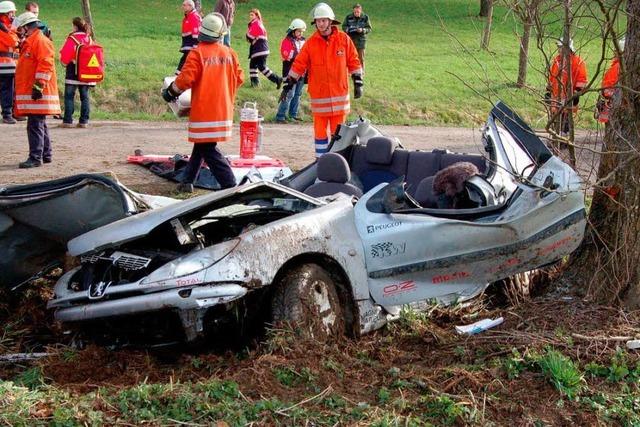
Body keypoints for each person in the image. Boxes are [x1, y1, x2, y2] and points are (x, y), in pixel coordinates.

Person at [162, 13, 243, 193]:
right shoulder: (230, 53)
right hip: (224, 110)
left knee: (208, 147)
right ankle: (187, 181)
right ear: (220, 33)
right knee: (202, 144)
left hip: (204, 112)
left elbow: (184, 80)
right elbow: (240, 78)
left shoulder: (197, 53)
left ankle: (230, 185)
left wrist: (170, 92)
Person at [282, 3, 363, 157]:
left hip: (339, 98)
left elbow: (354, 60)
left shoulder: (343, 39)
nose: (321, 24)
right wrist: (288, 84)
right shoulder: (311, 43)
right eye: (318, 21)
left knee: (337, 135)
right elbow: (299, 64)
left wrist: (358, 82)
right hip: (320, 99)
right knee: (320, 134)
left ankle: (338, 163)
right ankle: (320, 164)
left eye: (324, 20)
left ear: (331, 21)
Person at [13, 11, 60, 168]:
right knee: (39, 124)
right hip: (36, 91)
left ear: (27, 27)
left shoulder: (39, 41)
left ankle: (35, 158)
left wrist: (39, 85)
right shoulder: (33, 41)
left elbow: (45, 64)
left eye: (21, 28)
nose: (19, 31)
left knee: (35, 125)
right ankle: (46, 154)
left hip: (38, 92)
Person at [547, 38, 588, 136]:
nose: (558, 50)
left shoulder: (578, 62)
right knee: (555, 121)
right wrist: (548, 92)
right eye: (558, 47)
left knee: (565, 123)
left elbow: (581, 81)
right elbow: (552, 78)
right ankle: (555, 140)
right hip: (555, 100)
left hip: (568, 100)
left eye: (560, 47)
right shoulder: (557, 62)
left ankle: (563, 142)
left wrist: (576, 95)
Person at [58, 17, 94, 128]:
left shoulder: (72, 38)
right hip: (86, 72)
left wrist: (64, 62)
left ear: (75, 26)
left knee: (69, 96)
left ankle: (68, 121)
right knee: (85, 97)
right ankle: (84, 121)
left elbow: (65, 55)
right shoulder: (89, 39)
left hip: (72, 72)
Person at [275, 18, 306, 123]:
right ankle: (280, 116)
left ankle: (293, 115)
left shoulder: (303, 41)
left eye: (302, 31)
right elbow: (286, 56)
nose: (300, 33)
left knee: (298, 94)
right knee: (289, 93)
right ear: (293, 31)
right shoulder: (286, 41)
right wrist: (300, 56)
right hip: (290, 72)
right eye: (298, 31)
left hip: (302, 72)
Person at [245, 8, 282, 88]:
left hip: (260, 49)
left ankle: (277, 79)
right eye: (250, 15)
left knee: (262, 67)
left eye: (252, 15)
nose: (250, 16)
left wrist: (251, 37)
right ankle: (255, 84)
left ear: (257, 15)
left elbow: (250, 36)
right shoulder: (258, 23)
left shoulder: (256, 24)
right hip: (261, 49)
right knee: (253, 65)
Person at [596, 37, 624, 124]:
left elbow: (608, 89)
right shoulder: (619, 66)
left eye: (616, 50)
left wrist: (605, 96)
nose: (614, 52)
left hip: (612, 106)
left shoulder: (617, 67)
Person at [0, 1, 18, 124]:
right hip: (4, 64)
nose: (13, 15)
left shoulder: (7, 27)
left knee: (9, 89)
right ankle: (7, 114)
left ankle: (10, 112)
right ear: (6, 13)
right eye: (12, 12)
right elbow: (13, 42)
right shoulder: (3, 29)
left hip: (8, 64)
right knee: (7, 89)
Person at [342, 3, 371, 72]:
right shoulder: (348, 17)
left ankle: (361, 72)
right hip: (351, 41)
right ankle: (349, 71)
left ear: (360, 11)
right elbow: (344, 26)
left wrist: (362, 30)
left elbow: (369, 28)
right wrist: (348, 29)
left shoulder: (365, 17)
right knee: (349, 57)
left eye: (357, 12)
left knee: (361, 58)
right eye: (354, 12)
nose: (356, 13)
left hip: (361, 41)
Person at [176, 0, 201, 75]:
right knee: (186, 61)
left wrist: (195, 47)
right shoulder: (189, 16)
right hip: (188, 43)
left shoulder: (194, 17)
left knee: (185, 61)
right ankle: (179, 76)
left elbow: (196, 33)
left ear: (190, 6)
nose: (182, 7)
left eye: (184, 5)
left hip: (192, 44)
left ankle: (178, 76)